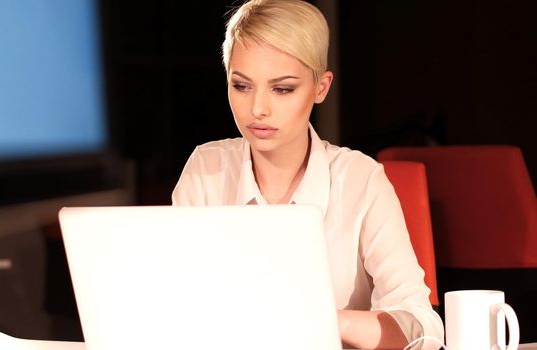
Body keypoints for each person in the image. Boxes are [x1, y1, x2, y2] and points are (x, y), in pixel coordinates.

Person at [171, 0, 444, 349]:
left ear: (321, 87)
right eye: (241, 86)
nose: (257, 109)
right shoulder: (205, 169)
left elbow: (424, 329)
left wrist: (317, 319)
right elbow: (176, 302)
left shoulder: (361, 179)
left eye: (282, 88)